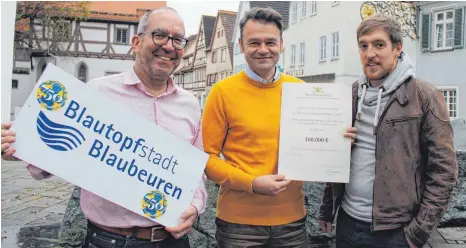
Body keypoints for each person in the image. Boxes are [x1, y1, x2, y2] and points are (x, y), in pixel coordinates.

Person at [1, 7, 207, 248]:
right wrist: (18, 144)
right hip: (109, 240)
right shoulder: (97, 93)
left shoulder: (190, 105)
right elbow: (54, 153)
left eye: (178, 39)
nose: (169, 46)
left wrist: (195, 206)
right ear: (136, 42)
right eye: (159, 35)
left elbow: (196, 173)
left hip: (173, 241)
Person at [202, 7, 356, 248]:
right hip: (238, 224)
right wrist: (252, 183)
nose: (263, 49)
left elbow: (313, 148)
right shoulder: (222, 92)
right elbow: (208, 160)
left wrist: (338, 139)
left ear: (282, 44)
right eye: (254, 42)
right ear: (241, 46)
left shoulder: (300, 90)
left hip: (292, 221)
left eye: (270, 42)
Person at [317, 15, 458, 248]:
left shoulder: (424, 95)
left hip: (396, 231)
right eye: (364, 45)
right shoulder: (352, 93)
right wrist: (326, 209)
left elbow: (444, 172)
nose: (370, 53)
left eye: (379, 45)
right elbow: (337, 157)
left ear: (398, 48)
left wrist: (417, 233)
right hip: (348, 223)